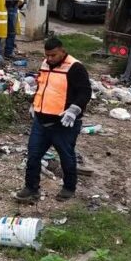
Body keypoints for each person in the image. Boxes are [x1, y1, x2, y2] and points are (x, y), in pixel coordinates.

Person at [16, 37, 92, 203]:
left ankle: (69, 187)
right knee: (33, 156)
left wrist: (74, 109)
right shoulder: (45, 64)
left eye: (53, 55)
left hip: (64, 123)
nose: (49, 59)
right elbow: (43, 86)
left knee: (66, 156)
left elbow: (85, 92)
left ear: (62, 51)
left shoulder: (75, 67)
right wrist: (34, 103)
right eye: (47, 55)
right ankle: (31, 188)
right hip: (41, 122)